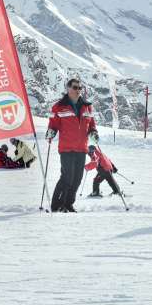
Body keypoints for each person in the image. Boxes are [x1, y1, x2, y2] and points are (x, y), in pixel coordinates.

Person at [46, 78, 98, 213]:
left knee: (77, 179)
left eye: (80, 88)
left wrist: (93, 132)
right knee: (67, 177)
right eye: (75, 87)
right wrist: (51, 132)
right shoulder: (59, 106)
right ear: (68, 89)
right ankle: (57, 205)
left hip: (81, 148)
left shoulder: (87, 106)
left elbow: (91, 124)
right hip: (67, 148)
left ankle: (68, 204)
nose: (78, 90)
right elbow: (53, 124)